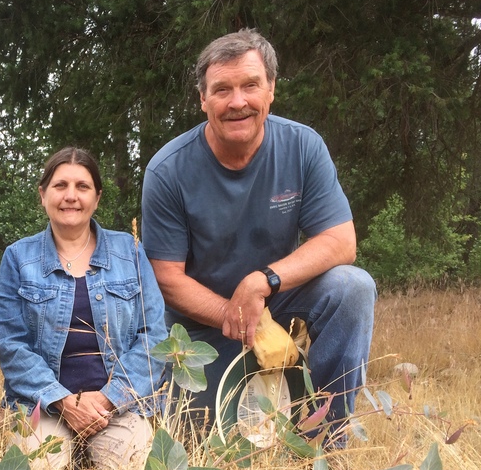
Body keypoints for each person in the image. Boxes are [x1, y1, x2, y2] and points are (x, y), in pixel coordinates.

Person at [141, 28, 376, 439]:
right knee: (206, 444)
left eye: (251, 85)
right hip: (203, 326)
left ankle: (326, 438)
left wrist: (263, 281)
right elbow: (166, 278)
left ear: (271, 90)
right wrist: (233, 315)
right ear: (203, 99)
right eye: (222, 90)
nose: (237, 102)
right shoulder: (167, 171)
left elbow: (341, 241)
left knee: (353, 288)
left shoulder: (303, 146)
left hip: (277, 300)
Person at [0, 147, 167, 470]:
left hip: (117, 407)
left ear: (96, 198)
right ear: (43, 195)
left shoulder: (129, 251)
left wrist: (109, 400)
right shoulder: (18, 258)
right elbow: (10, 343)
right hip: (43, 407)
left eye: (82, 187)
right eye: (60, 186)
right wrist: (64, 402)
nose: (71, 196)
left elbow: (154, 335)